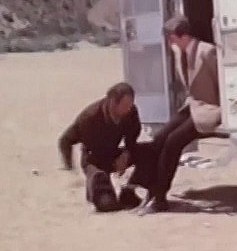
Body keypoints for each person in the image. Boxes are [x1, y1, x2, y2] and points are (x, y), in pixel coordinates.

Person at [142, 14, 222, 213]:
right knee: (160, 138)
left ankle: (160, 197)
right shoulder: (180, 54)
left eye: (172, 37)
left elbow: (222, 83)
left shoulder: (207, 51)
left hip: (210, 108)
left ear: (182, 36)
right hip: (193, 105)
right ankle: (151, 191)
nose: (170, 42)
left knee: (173, 142)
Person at [58, 82, 153, 212]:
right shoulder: (90, 117)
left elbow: (132, 138)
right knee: (106, 204)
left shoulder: (130, 112)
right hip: (94, 159)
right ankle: (100, 190)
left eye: (131, 105)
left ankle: (129, 191)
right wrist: (70, 168)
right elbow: (65, 140)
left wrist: (126, 154)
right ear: (113, 102)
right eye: (125, 105)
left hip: (115, 153)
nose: (129, 109)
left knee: (150, 151)